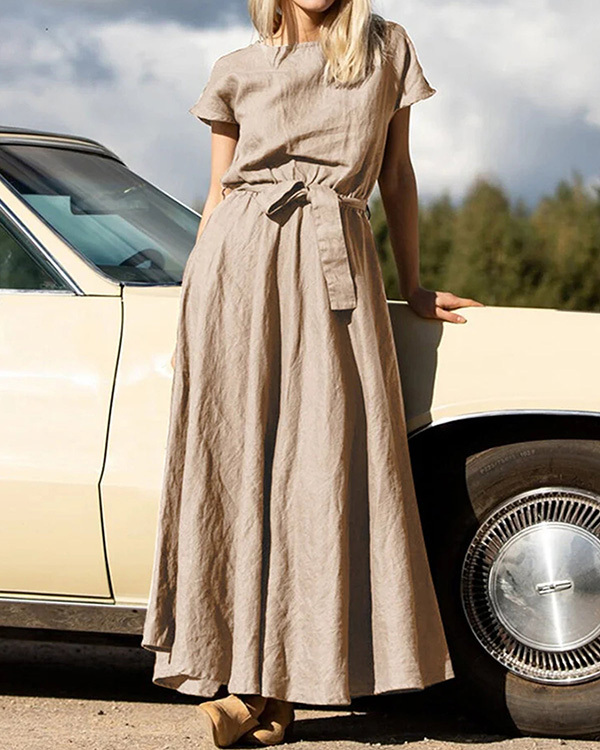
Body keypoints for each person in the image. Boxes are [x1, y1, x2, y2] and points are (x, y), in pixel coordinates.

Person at [141, 0, 484, 746]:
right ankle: (251, 688)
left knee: (319, 469)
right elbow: (219, 195)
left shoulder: (385, 49)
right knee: (238, 471)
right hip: (236, 270)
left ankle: (278, 687)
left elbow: (397, 174)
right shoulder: (237, 69)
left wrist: (414, 283)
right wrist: (196, 302)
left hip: (335, 265)